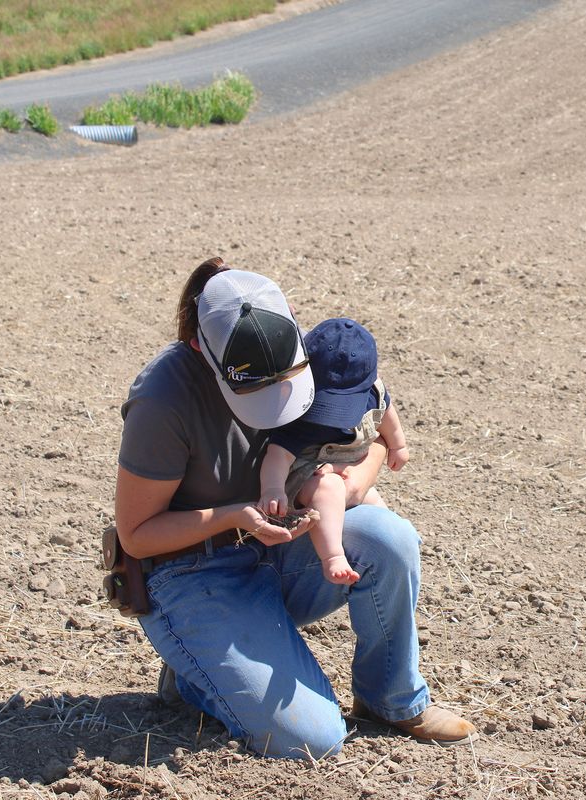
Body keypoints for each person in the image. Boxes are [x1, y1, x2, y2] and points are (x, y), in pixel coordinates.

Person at [114, 257, 476, 759]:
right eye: (253, 391)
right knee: (313, 741)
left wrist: (349, 485)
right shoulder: (163, 399)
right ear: (201, 347)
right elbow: (136, 536)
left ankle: (391, 700)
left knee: (387, 538)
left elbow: (370, 434)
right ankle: (196, 673)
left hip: (282, 546)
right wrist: (235, 516)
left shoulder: (301, 348)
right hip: (193, 571)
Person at [258, 318, 409, 586]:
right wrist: (273, 489)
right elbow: (278, 454)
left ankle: (402, 551)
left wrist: (398, 444)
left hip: (347, 471)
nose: (331, 417)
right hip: (306, 479)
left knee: (384, 518)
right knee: (329, 489)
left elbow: (386, 411)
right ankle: (333, 557)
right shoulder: (301, 414)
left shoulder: (374, 391)